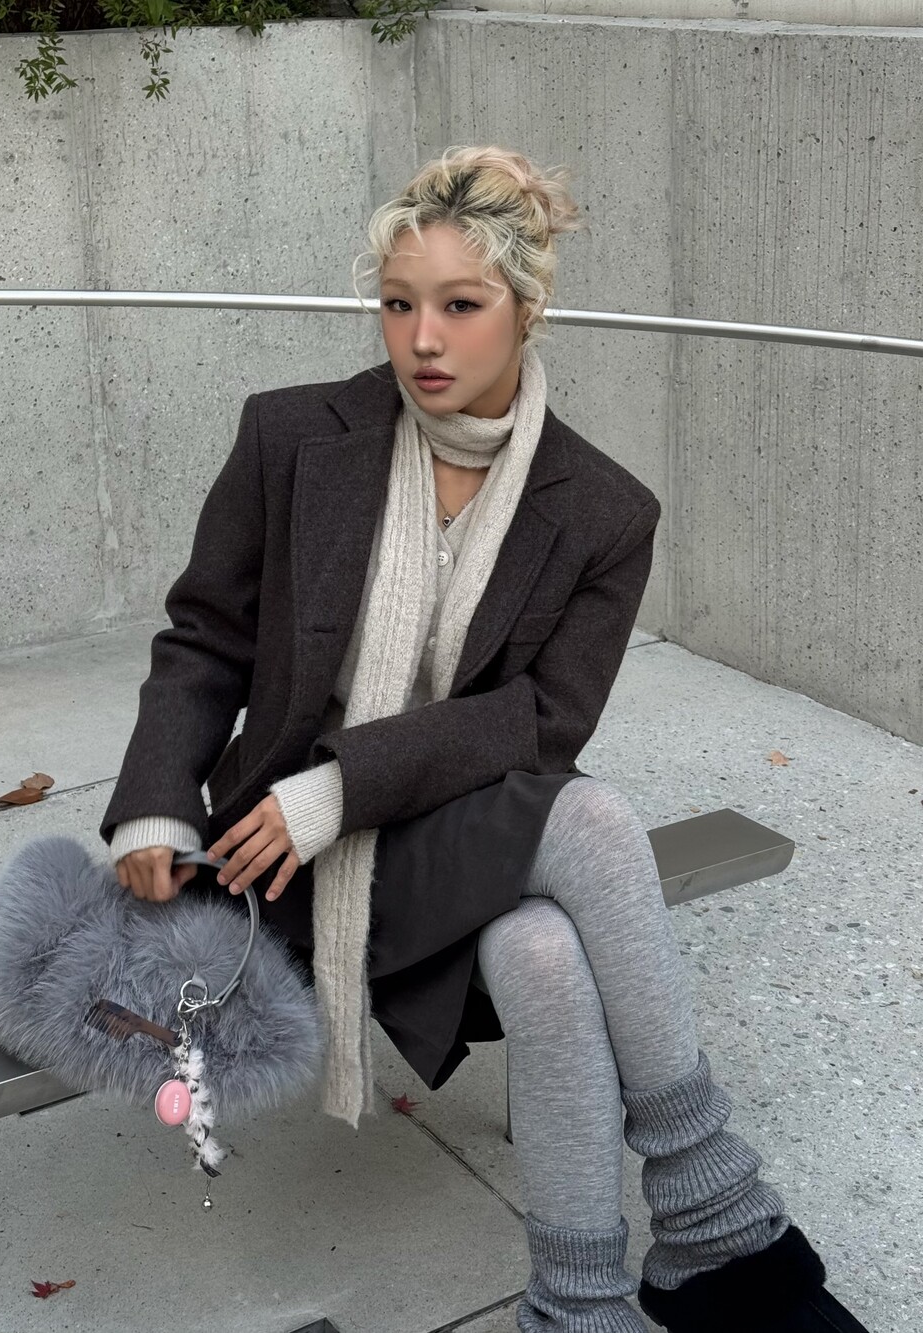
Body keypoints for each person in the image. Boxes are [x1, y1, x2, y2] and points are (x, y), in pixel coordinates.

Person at [99, 145, 869, 1333]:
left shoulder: (603, 511)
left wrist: (346, 786)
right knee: (583, 842)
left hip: (440, 832)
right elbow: (203, 638)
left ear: (526, 306)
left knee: (549, 941)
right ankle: (709, 1215)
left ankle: (581, 1298)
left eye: (460, 305)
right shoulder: (292, 437)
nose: (422, 339)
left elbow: (543, 723)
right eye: (397, 303)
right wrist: (158, 799)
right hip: (281, 864)